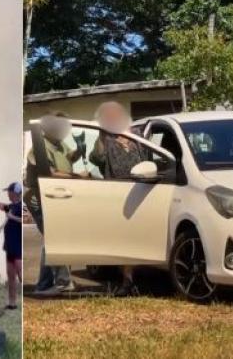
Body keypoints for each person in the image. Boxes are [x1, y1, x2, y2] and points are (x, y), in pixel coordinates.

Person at [24, 112, 88, 294]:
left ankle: (46, 284)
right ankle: (60, 282)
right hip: (39, 198)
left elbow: (70, 158)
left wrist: (80, 150)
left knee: (54, 238)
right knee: (54, 237)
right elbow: (49, 172)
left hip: (54, 196)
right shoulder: (39, 146)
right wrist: (78, 176)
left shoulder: (58, 144)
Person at [89, 101, 146, 296]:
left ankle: (139, 277)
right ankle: (127, 281)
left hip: (142, 190)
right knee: (124, 238)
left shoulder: (138, 137)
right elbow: (97, 158)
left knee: (140, 236)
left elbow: (149, 159)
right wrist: (101, 135)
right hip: (117, 192)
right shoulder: (107, 140)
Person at [0, 182, 23, 309]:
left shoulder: (21, 206)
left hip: (18, 246)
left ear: (15, 193)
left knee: (20, 272)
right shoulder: (12, 206)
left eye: (9, 192)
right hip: (9, 246)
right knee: (11, 275)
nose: (7, 194)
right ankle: (12, 303)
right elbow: (3, 206)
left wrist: (11, 217)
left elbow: (23, 220)